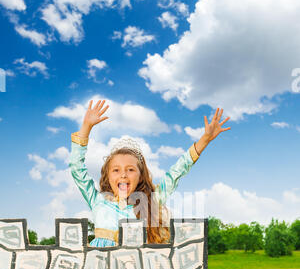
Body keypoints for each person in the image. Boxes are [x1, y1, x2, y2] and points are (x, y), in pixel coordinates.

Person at [69, 99, 230, 246]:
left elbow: (176, 172)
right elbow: (77, 168)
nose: (123, 175)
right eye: (116, 170)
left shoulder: (150, 201)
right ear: (107, 176)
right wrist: (86, 127)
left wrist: (205, 140)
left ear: (140, 176)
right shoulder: (98, 201)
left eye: (130, 170)